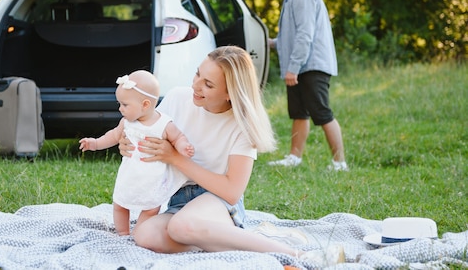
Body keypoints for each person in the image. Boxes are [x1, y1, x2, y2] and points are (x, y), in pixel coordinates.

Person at [118, 46, 345, 266]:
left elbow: (231, 191)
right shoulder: (178, 98)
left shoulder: (242, 127)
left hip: (218, 201)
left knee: (181, 226)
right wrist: (127, 143)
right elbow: (145, 131)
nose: (196, 85)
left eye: (208, 84)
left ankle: (298, 254)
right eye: (198, 73)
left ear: (229, 93)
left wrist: (176, 159)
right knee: (144, 234)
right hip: (179, 200)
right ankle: (228, 241)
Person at [79, 70, 194, 236]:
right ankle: (123, 233)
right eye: (120, 104)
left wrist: (183, 146)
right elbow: (113, 136)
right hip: (130, 175)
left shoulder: (163, 124)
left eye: (125, 105)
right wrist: (95, 143)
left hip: (152, 178)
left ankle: (140, 231)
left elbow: (178, 137)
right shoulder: (126, 122)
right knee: (120, 205)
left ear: (145, 105)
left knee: (150, 208)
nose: (120, 109)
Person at [267, 0, 348, 171]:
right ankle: (294, 157)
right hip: (300, 65)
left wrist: (292, 68)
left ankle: (339, 163)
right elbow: (291, 37)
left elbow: (305, 34)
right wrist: (270, 43)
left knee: (322, 113)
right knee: (299, 113)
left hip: (311, 65)